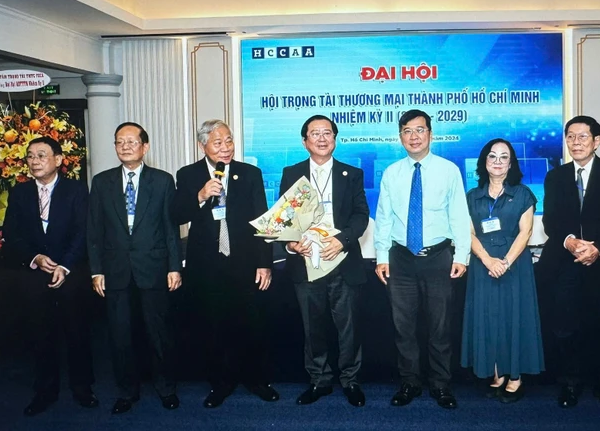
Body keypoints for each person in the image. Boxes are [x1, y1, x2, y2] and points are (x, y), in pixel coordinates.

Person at [174, 119, 277, 408]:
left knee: (252, 324)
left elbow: (263, 220)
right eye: (218, 142)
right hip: (206, 265)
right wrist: (200, 195)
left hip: (245, 262)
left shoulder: (250, 173)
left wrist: (264, 263)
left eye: (229, 140)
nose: (225, 147)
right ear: (202, 145)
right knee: (213, 326)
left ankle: (257, 380)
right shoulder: (188, 174)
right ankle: (220, 384)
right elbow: (176, 215)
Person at [374, 109, 471, 409]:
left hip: (438, 257)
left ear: (430, 134)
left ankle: (441, 385)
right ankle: (410, 383)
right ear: (400, 136)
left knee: (440, 328)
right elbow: (384, 219)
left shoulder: (448, 170)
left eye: (419, 130)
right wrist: (381, 257)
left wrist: (462, 255)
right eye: (407, 131)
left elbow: (459, 215)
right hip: (400, 259)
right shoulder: (391, 173)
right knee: (403, 327)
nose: (413, 136)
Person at [87, 122, 182, 414]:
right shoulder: (101, 182)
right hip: (115, 271)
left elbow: (170, 227)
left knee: (158, 333)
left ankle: (166, 388)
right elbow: (94, 230)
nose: (125, 146)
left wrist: (174, 266)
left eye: (131, 141)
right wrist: (96, 270)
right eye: (120, 142)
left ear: (145, 146)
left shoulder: (162, 181)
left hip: (153, 267)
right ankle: (127, 391)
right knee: (120, 335)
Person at [3, 137, 96, 416]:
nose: (35, 161)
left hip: (70, 272)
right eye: (30, 156)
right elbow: (12, 234)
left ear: (58, 159)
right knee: (40, 335)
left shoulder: (76, 190)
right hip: (34, 274)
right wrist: (35, 258)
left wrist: (64, 265)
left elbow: (83, 231)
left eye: (41, 155)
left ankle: (83, 389)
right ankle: (44, 391)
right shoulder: (19, 193)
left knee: (77, 332)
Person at [280, 115, 369, 407]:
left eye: (327, 133)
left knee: (349, 328)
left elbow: (361, 215)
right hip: (306, 261)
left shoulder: (351, 174)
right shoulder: (292, 173)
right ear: (305, 141)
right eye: (315, 134)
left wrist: (341, 240)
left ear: (335, 139)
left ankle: (350, 380)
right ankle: (319, 380)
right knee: (312, 327)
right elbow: (283, 217)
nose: (322, 138)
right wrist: (290, 243)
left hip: (342, 259)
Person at [540, 116, 600, 412]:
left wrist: (598, 247)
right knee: (566, 326)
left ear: (597, 141)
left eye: (583, 137)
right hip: (565, 264)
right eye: (571, 137)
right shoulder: (556, 176)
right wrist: (569, 241)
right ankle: (570, 383)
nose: (576, 142)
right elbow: (551, 219)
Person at [461, 138, 543, 404]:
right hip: (483, 264)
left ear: (511, 163)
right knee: (487, 318)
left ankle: (515, 377)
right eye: (492, 156)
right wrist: (488, 260)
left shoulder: (523, 194)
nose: (497, 161)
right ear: (484, 162)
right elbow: (468, 233)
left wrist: (505, 262)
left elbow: (525, 232)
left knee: (513, 317)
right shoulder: (472, 196)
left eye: (503, 157)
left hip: (514, 265)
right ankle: (495, 372)